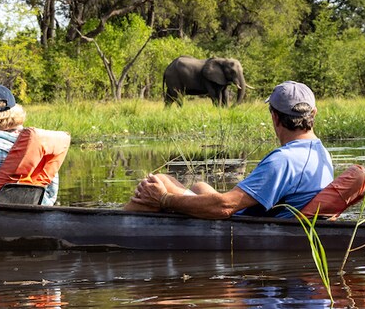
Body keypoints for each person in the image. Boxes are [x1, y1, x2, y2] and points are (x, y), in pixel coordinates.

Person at [127, 81, 334, 219]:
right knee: (200, 187)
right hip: (259, 216)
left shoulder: (284, 160)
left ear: (275, 117)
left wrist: (164, 199)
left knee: (157, 183)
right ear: (313, 113)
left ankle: (111, 229)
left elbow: (225, 207)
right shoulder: (321, 153)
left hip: (239, 225)